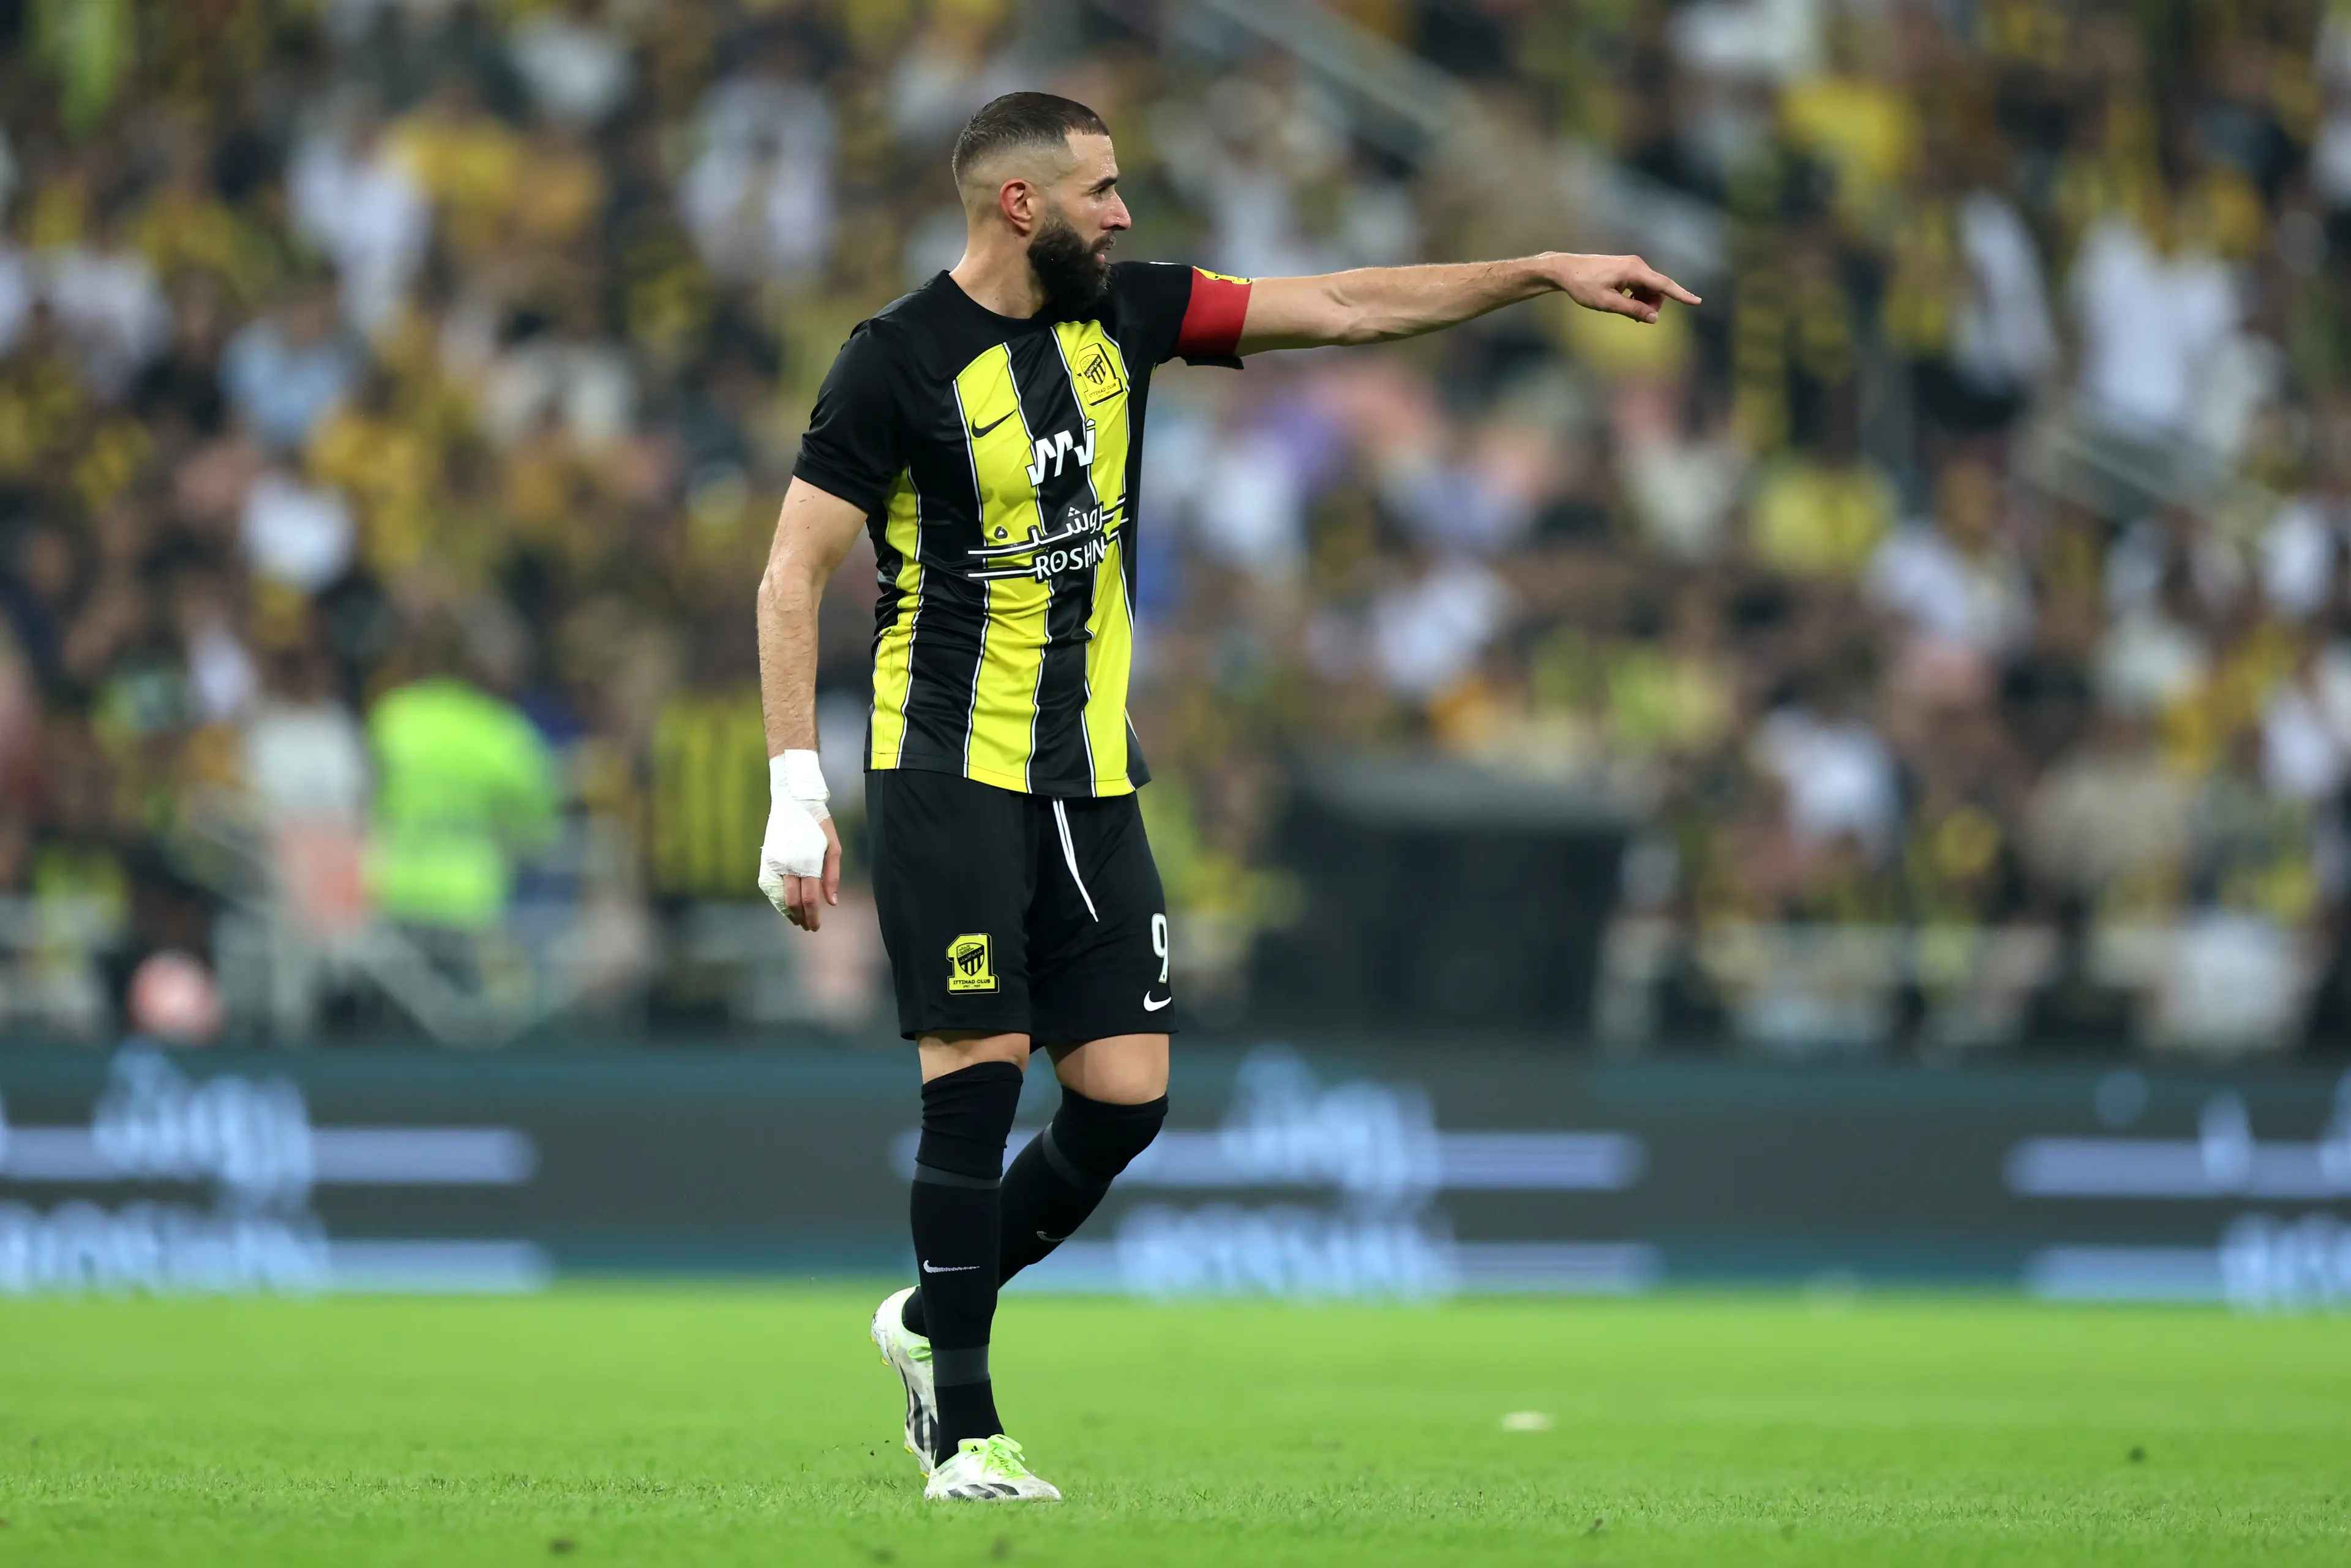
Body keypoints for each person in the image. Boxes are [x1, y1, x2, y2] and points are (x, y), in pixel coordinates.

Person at [752, 91, 1697, 1503]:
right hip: (947, 769)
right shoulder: (893, 362)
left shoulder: (1129, 316)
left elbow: (1350, 306)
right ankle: (966, 1430)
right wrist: (793, 792)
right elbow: (790, 578)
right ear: (1020, 204)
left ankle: (930, 1310)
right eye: (1102, 190)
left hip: (1092, 774)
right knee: (976, 1082)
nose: (1125, 212)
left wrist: (1539, 270)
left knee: (1125, 1099)